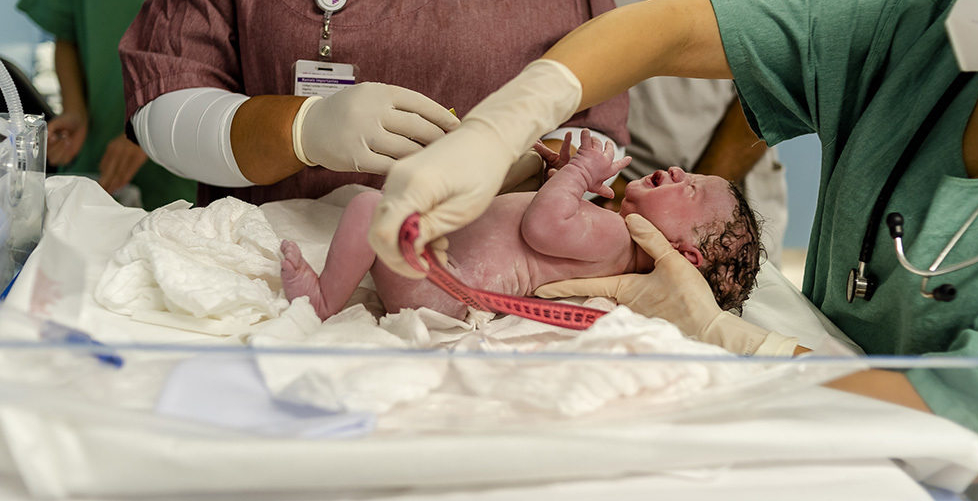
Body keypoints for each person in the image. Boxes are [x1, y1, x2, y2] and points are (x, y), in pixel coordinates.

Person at [369, 0, 978, 501]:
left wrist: (725, 337)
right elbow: (674, 29)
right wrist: (502, 125)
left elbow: (959, 423)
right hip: (809, 433)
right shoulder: (916, 15)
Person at [117, 0, 629, 208]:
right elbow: (163, 101)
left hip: (471, 297)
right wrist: (302, 129)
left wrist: (528, 169)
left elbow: (597, 138)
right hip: (263, 280)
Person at [511, 0, 821, 263]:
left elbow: (779, 71)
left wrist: (698, 200)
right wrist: (602, 183)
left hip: (725, 190)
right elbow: (537, 78)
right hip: (595, 188)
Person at [280, 131, 788, 354]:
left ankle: (324, 300)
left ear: (683, 253)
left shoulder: (617, 237)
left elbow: (540, 227)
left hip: (441, 291)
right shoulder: (608, 232)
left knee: (373, 208)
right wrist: (559, 174)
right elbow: (539, 224)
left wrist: (581, 172)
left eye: (691, 188)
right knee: (388, 209)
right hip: (443, 276)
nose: (678, 170)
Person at [16, 0, 215, 210]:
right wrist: (76, 111)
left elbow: (242, 47)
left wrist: (152, 134)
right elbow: (67, 31)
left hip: (198, 167)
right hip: (101, 168)